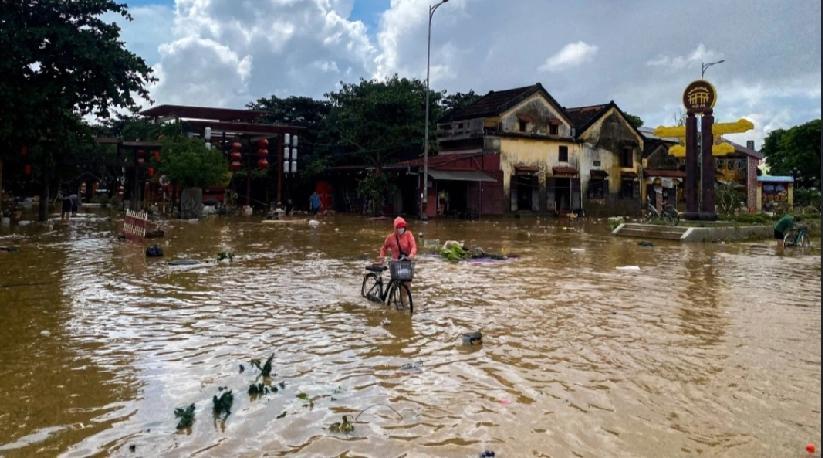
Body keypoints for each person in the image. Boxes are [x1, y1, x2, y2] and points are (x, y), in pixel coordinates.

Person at [379, 217, 418, 306]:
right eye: (399, 227)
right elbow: (383, 248)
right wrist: (382, 258)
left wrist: (411, 255)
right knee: (397, 283)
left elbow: (413, 246)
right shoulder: (390, 238)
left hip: (406, 262)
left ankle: (404, 305)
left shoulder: (408, 234)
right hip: (396, 264)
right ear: (395, 228)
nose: (401, 229)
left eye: (402, 227)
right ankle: (397, 302)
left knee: (406, 285)